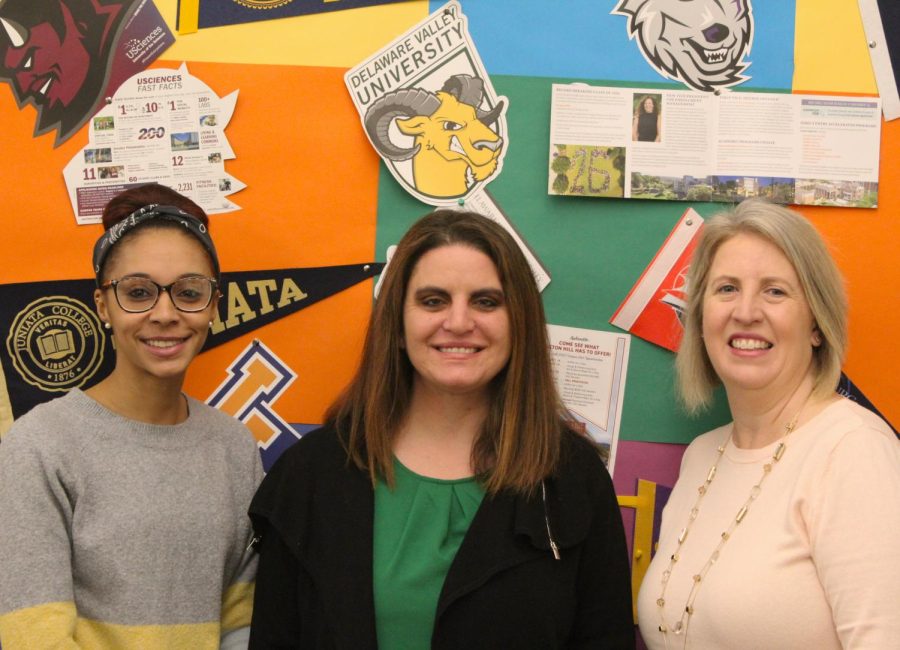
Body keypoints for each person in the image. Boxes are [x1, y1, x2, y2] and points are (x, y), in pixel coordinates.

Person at [248, 210, 634, 649]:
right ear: (396, 323)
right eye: (433, 301)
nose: (458, 322)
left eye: (486, 301)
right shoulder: (311, 474)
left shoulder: (571, 478)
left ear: (519, 324)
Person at [0, 184, 262, 649]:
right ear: (102, 305)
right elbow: (31, 634)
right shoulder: (40, 445)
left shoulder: (235, 449)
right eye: (138, 292)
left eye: (188, 291)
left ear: (213, 305)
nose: (165, 313)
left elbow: (242, 620)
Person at [637, 199, 900, 649]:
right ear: (701, 319)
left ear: (816, 323)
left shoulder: (853, 450)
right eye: (726, 289)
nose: (746, 312)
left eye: (775, 291)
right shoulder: (702, 455)